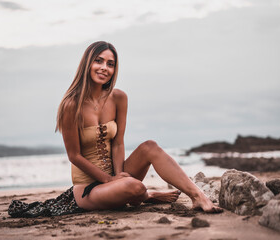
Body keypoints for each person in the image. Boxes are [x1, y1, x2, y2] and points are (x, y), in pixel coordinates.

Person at [55, 41, 222, 213]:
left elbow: (118, 143)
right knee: (135, 187)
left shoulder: (118, 98)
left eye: (110, 64)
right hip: (89, 189)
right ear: (87, 64)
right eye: (98, 61)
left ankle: (198, 196)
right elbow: (74, 156)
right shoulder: (71, 105)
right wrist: (108, 180)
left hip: (118, 177)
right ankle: (147, 195)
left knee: (150, 147)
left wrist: (118, 175)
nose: (104, 68)